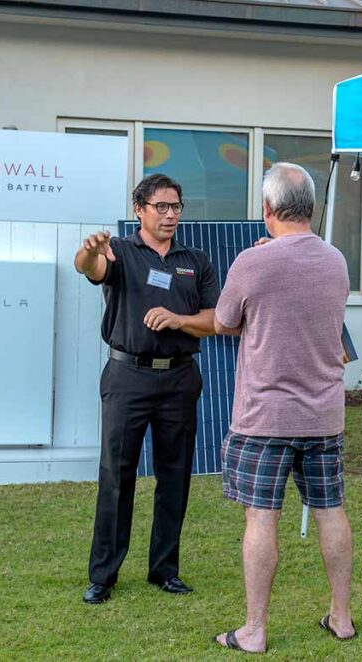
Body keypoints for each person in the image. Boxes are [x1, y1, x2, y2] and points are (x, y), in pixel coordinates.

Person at [212, 163, 354, 653]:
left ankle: (253, 630)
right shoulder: (336, 261)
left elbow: (225, 321)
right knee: (330, 511)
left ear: (267, 209)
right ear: (311, 208)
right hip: (323, 414)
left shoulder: (252, 263)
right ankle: (341, 617)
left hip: (265, 417)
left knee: (261, 518)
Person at [74, 173, 220, 604]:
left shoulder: (197, 260)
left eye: (176, 207)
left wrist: (179, 321)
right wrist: (87, 253)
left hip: (179, 377)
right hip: (127, 377)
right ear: (139, 209)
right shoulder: (118, 251)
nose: (171, 215)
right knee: (116, 477)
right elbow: (91, 270)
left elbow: (217, 320)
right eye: (162, 207)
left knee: (174, 477)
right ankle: (104, 575)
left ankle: (164, 570)